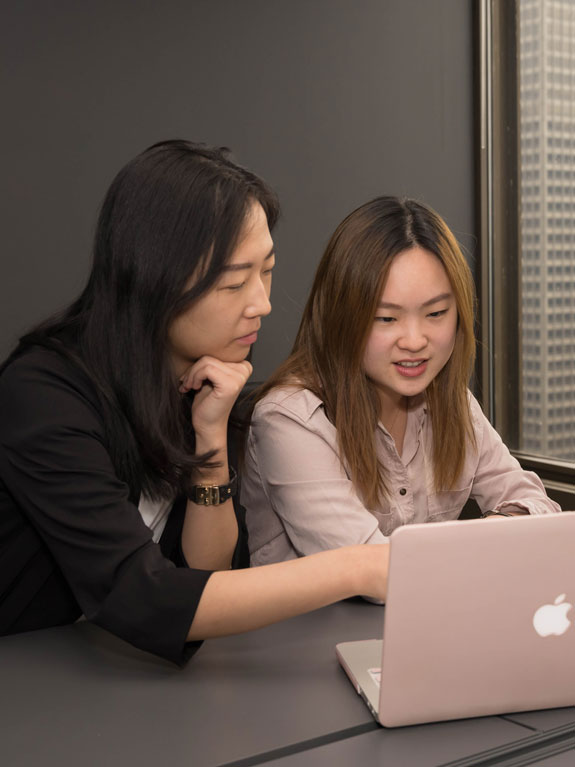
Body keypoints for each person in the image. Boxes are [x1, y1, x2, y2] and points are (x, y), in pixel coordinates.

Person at [0, 141, 389, 664]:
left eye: (267, 271)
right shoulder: (44, 394)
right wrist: (357, 567)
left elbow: (208, 577)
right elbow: (145, 597)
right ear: (154, 281)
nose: (263, 304)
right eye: (234, 283)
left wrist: (210, 438)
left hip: (106, 674)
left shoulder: (206, 377)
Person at [241, 196, 561, 567]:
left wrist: (498, 525)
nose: (414, 341)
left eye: (436, 313)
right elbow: (369, 567)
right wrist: (489, 540)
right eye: (386, 319)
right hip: (311, 626)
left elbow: (538, 507)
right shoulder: (290, 419)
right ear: (341, 318)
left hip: (428, 621)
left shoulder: (450, 401)